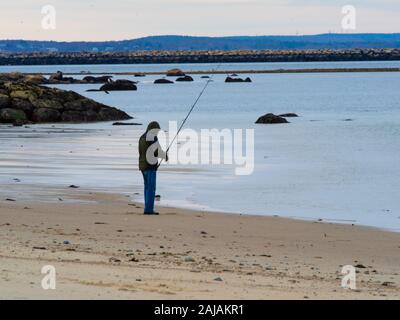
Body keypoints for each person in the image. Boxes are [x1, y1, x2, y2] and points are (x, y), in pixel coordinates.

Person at [138, 121, 168, 215]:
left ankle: (147, 208)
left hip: (142, 165)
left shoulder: (142, 137)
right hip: (150, 166)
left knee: (147, 187)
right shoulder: (152, 137)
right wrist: (165, 156)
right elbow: (156, 151)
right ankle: (149, 210)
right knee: (151, 188)